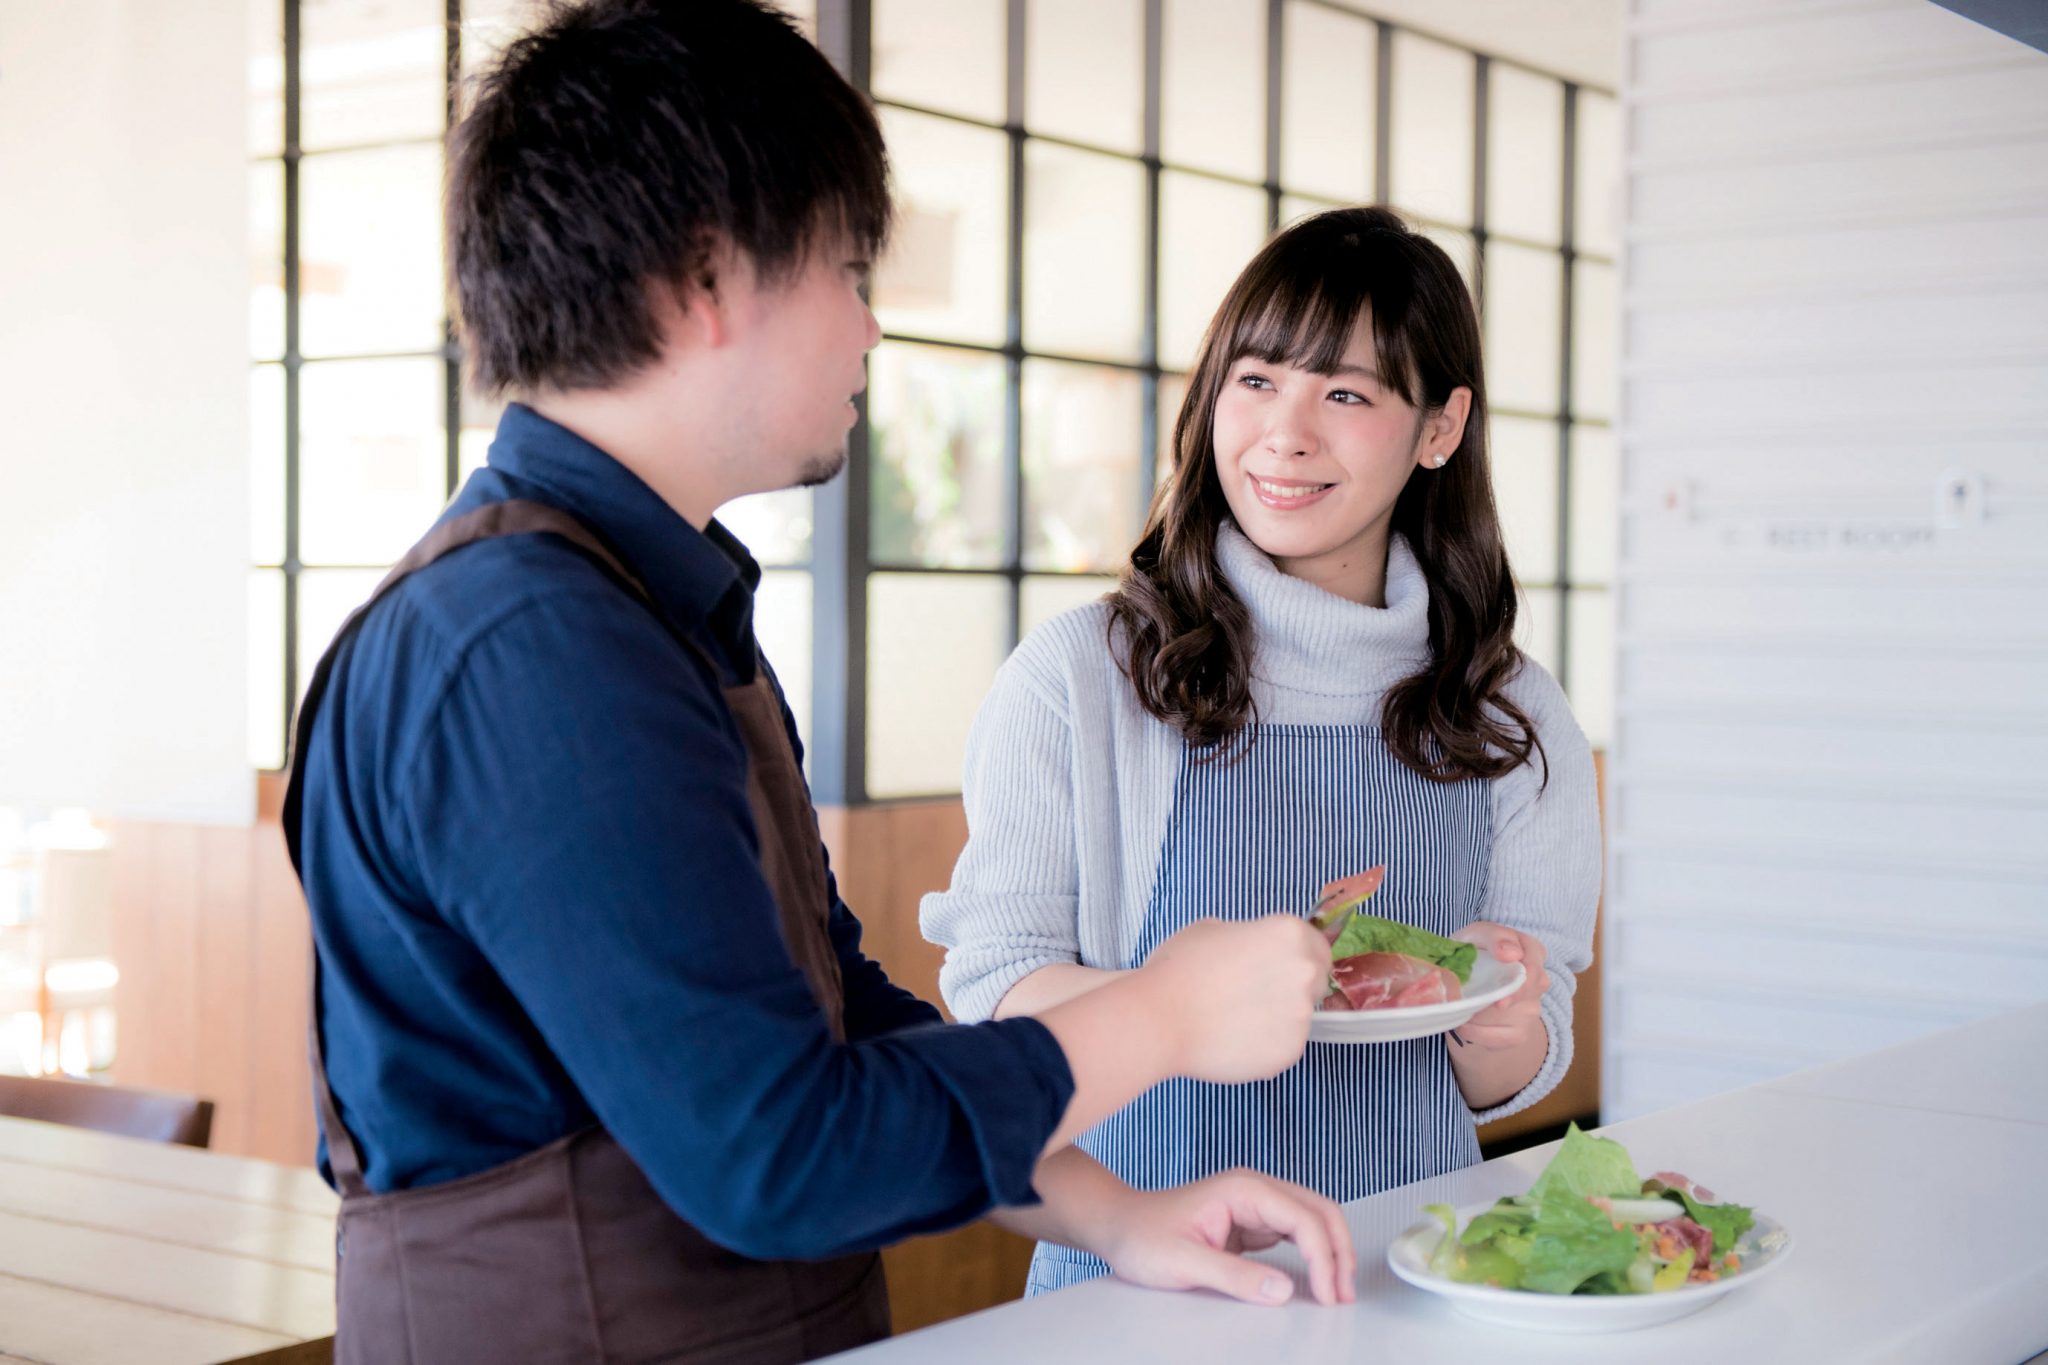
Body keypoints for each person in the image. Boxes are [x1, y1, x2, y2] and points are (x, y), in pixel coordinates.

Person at [282, 3, 1355, 1360]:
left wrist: (1121, 1214)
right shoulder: (530, 649)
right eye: (847, 271)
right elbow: (784, 1154)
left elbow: (839, 1019)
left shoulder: (644, 601)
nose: (869, 329)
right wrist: (1165, 1016)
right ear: (706, 276)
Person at [921, 205, 1604, 1296]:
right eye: (1254, 381)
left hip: (1411, 1279)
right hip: (1135, 1283)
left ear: (1439, 427)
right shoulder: (1078, 678)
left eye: (1345, 394)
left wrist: (1502, 1016)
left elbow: (1509, 1078)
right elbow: (995, 984)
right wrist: (1173, 1007)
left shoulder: (1508, 711)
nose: (1285, 434)